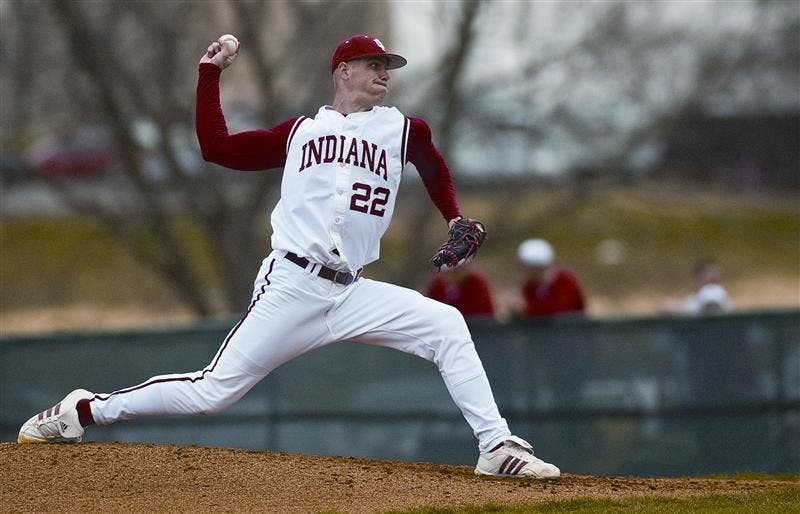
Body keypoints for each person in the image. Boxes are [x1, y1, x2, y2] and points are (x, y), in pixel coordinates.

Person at [17, 34, 560, 479]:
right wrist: (210, 76)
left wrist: (456, 218)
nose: (384, 73)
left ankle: (495, 446)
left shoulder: (402, 129)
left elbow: (434, 166)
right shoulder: (301, 132)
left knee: (446, 325)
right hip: (293, 284)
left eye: (387, 66)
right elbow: (216, 148)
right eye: (373, 64)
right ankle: (82, 411)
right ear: (342, 71)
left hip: (351, 290)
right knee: (212, 393)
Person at [509, 238, 586, 318]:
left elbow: (559, 309)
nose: (531, 272)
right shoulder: (528, 286)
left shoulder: (565, 280)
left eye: (535, 267)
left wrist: (526, 308)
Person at [662, 258, 733, 315]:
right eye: (709, 273)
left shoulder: (725, 301)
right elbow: (666, 306)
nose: (714, 276)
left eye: (717, 273)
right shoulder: (690, 303)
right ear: (697, 278)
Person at [424, 263, 496, 319]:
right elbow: (431, 310)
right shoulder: (437, 285)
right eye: (449, 272)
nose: (452, 276)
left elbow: (482, 313)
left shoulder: (477, 283)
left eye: (456, 271)